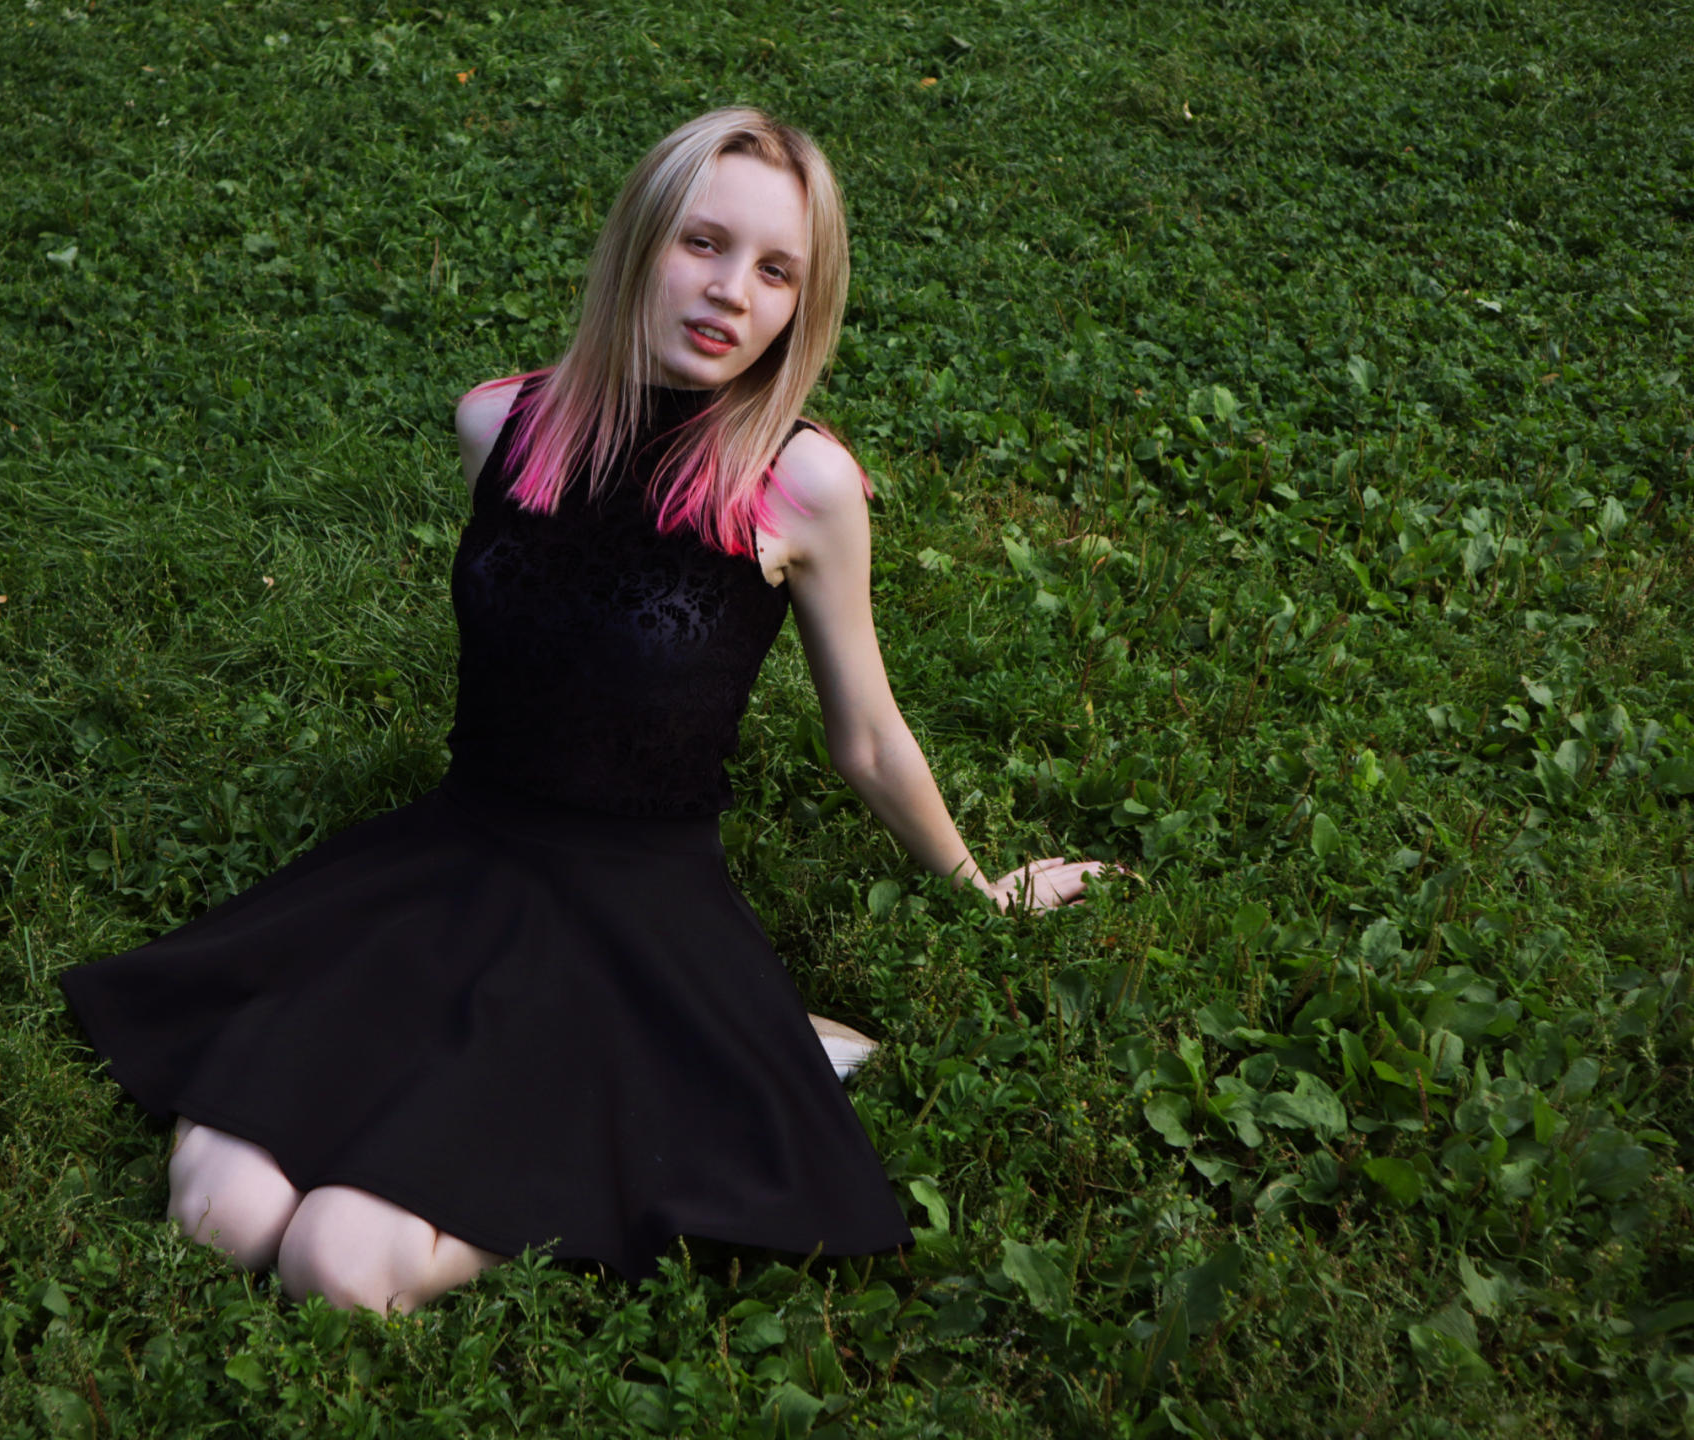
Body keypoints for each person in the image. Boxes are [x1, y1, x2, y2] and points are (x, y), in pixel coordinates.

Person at [59, 107, 1110, 1317]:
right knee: (219, 1217)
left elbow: (865, 736)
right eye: (703, 243)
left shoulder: (800, 480)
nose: (731, 292)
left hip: (635, 917)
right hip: (449, 872)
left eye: (777, 271)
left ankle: (714, 1061)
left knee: (340, 1269)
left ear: (803, 306)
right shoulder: (503, 425)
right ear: (638, 241)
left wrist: (980, 889)